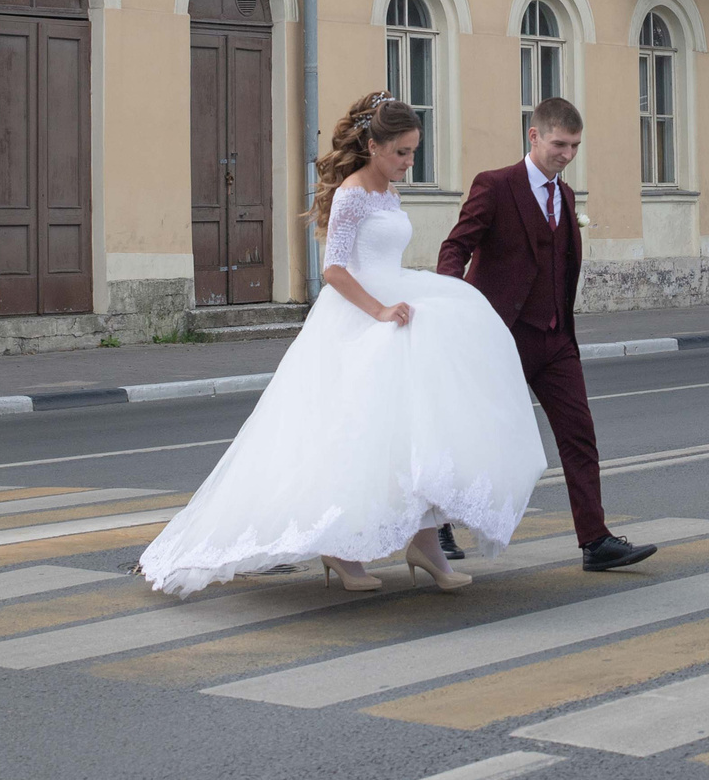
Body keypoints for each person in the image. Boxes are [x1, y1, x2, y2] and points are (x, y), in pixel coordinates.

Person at [137, 93, 546, 599]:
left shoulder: (388, 194)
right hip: (359, 318)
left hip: (397, 306)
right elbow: (334, 270)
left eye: (413, 152)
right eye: (401, 152)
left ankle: (425, 545)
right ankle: (341, 548)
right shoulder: (352, 194)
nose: (408, 162)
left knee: (416, 431)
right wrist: (377, 312)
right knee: (353, 437)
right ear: (373, 146)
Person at [439, 97, 658, 573]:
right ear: (534, 136)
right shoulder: (495, 186)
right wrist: (452, 305)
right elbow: (456, 246)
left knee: (579, 435)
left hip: (556, 338)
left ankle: (595, 541)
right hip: (504, 337)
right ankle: (436, 524)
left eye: (575, 146)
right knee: (472, 433)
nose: (567, 154)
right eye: (560, 144)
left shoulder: (565, 195)